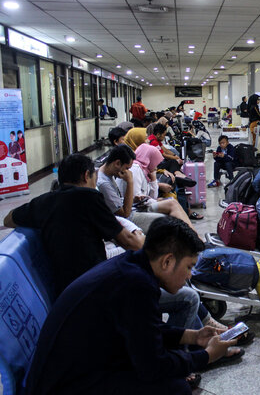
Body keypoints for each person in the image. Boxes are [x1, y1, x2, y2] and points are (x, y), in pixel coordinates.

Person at [24, 217, 243, 395]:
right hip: (64, 385)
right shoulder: (136, 285)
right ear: (167, 261)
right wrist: (206, 356)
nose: (189, 275)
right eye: (188, 267)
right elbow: (152, 366)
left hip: (75, 368)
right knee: (174, 389)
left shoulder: (130, 268)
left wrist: (191, 337)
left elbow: (142, 330)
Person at [3, 154, 143, 294]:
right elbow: (132, 244)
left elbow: (8, 220)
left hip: (66, 288)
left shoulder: (44, 202)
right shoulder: (89, 198)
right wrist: (140, 237)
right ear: (86, 175)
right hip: (96, 284)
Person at [117, 144, 199, 230]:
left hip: (142, 206)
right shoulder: (135, 170)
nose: (156, 166)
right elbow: (136, 198)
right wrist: (153, 200)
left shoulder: (145, 171)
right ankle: (193, 235)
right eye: (155, 162)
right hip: (135, 209)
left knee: (173, 202)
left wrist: (153, 179)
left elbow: (153, 196)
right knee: (171, 212)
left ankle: (192, 234)